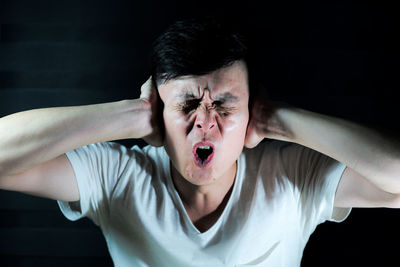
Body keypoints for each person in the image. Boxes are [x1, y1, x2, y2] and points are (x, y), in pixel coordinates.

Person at [0, 18, 399, 267]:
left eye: (225, 106)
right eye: (187, 104)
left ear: (251, 111)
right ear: (159, 112)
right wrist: (133, 114)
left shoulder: (295, 175)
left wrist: (280, 121)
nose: (205, 123)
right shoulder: (116, 175)